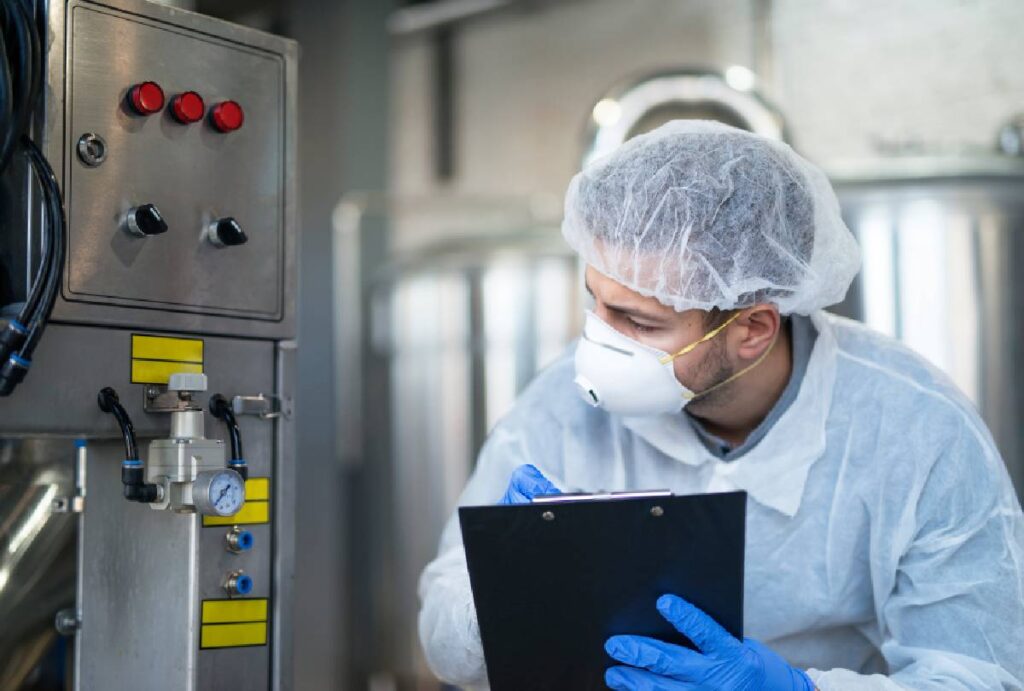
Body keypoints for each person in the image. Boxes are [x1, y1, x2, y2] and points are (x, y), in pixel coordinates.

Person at [417, 120, 1024, 690]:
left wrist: (799, 690)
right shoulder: (561, 408)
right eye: (595, 301)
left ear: (753, 329)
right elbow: (441, 629)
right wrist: (497, 591)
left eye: (637, 320)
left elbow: (979, 673)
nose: (597, 340)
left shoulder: (915, 428)